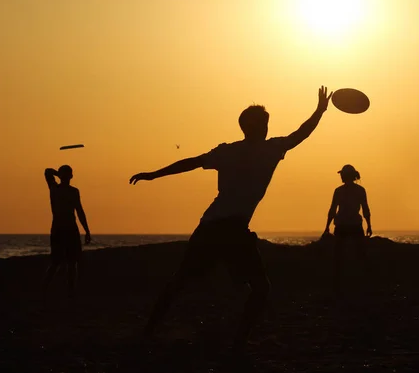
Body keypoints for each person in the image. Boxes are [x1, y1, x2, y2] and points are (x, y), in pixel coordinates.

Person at [130, 86, 332, 348]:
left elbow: (190, 162)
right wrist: (319, 111)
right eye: (264, 123)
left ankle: (150, 331)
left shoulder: (230, 151)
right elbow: (300, 134)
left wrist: (153, 175)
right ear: (257, 127)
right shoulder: (268, 149)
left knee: (183, 281)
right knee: (258, 288)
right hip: (229, 229)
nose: (266, 127)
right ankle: (236, 342)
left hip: (214, 226)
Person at [43, 165, 91, 299]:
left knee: (68, 262)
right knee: (63, 262)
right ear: (71, 176)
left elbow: (80, 211)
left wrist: (86, 230)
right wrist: (87, 231)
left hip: (65, 227)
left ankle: (68, 292)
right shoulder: (58, 189)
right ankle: (62, 291)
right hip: (63, 227)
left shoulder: (58, 189)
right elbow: (47, 171)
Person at [323, 164, 371, 293]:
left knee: (339, 254)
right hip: (355, 224)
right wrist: (369, 225)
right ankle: (362, 280)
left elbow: (333, 210)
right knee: (359, 253)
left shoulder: (339, 191)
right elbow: (365, 209)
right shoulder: (360, 190)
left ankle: (338, 282)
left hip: (342, 225)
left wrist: (327, 226)